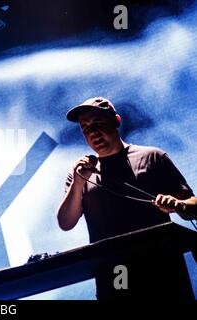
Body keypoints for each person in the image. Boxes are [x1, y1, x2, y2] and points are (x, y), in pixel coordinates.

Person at [57, 97, 197, 300]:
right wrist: (78, 182)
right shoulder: (80, 173)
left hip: (161, 267)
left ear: (116, 120)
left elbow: (193, 205)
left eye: (98, 123)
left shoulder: (152, 157)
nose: (92, 132)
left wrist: (178, 204)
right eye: (85, 127)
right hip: (115, 273)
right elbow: (65, 222)